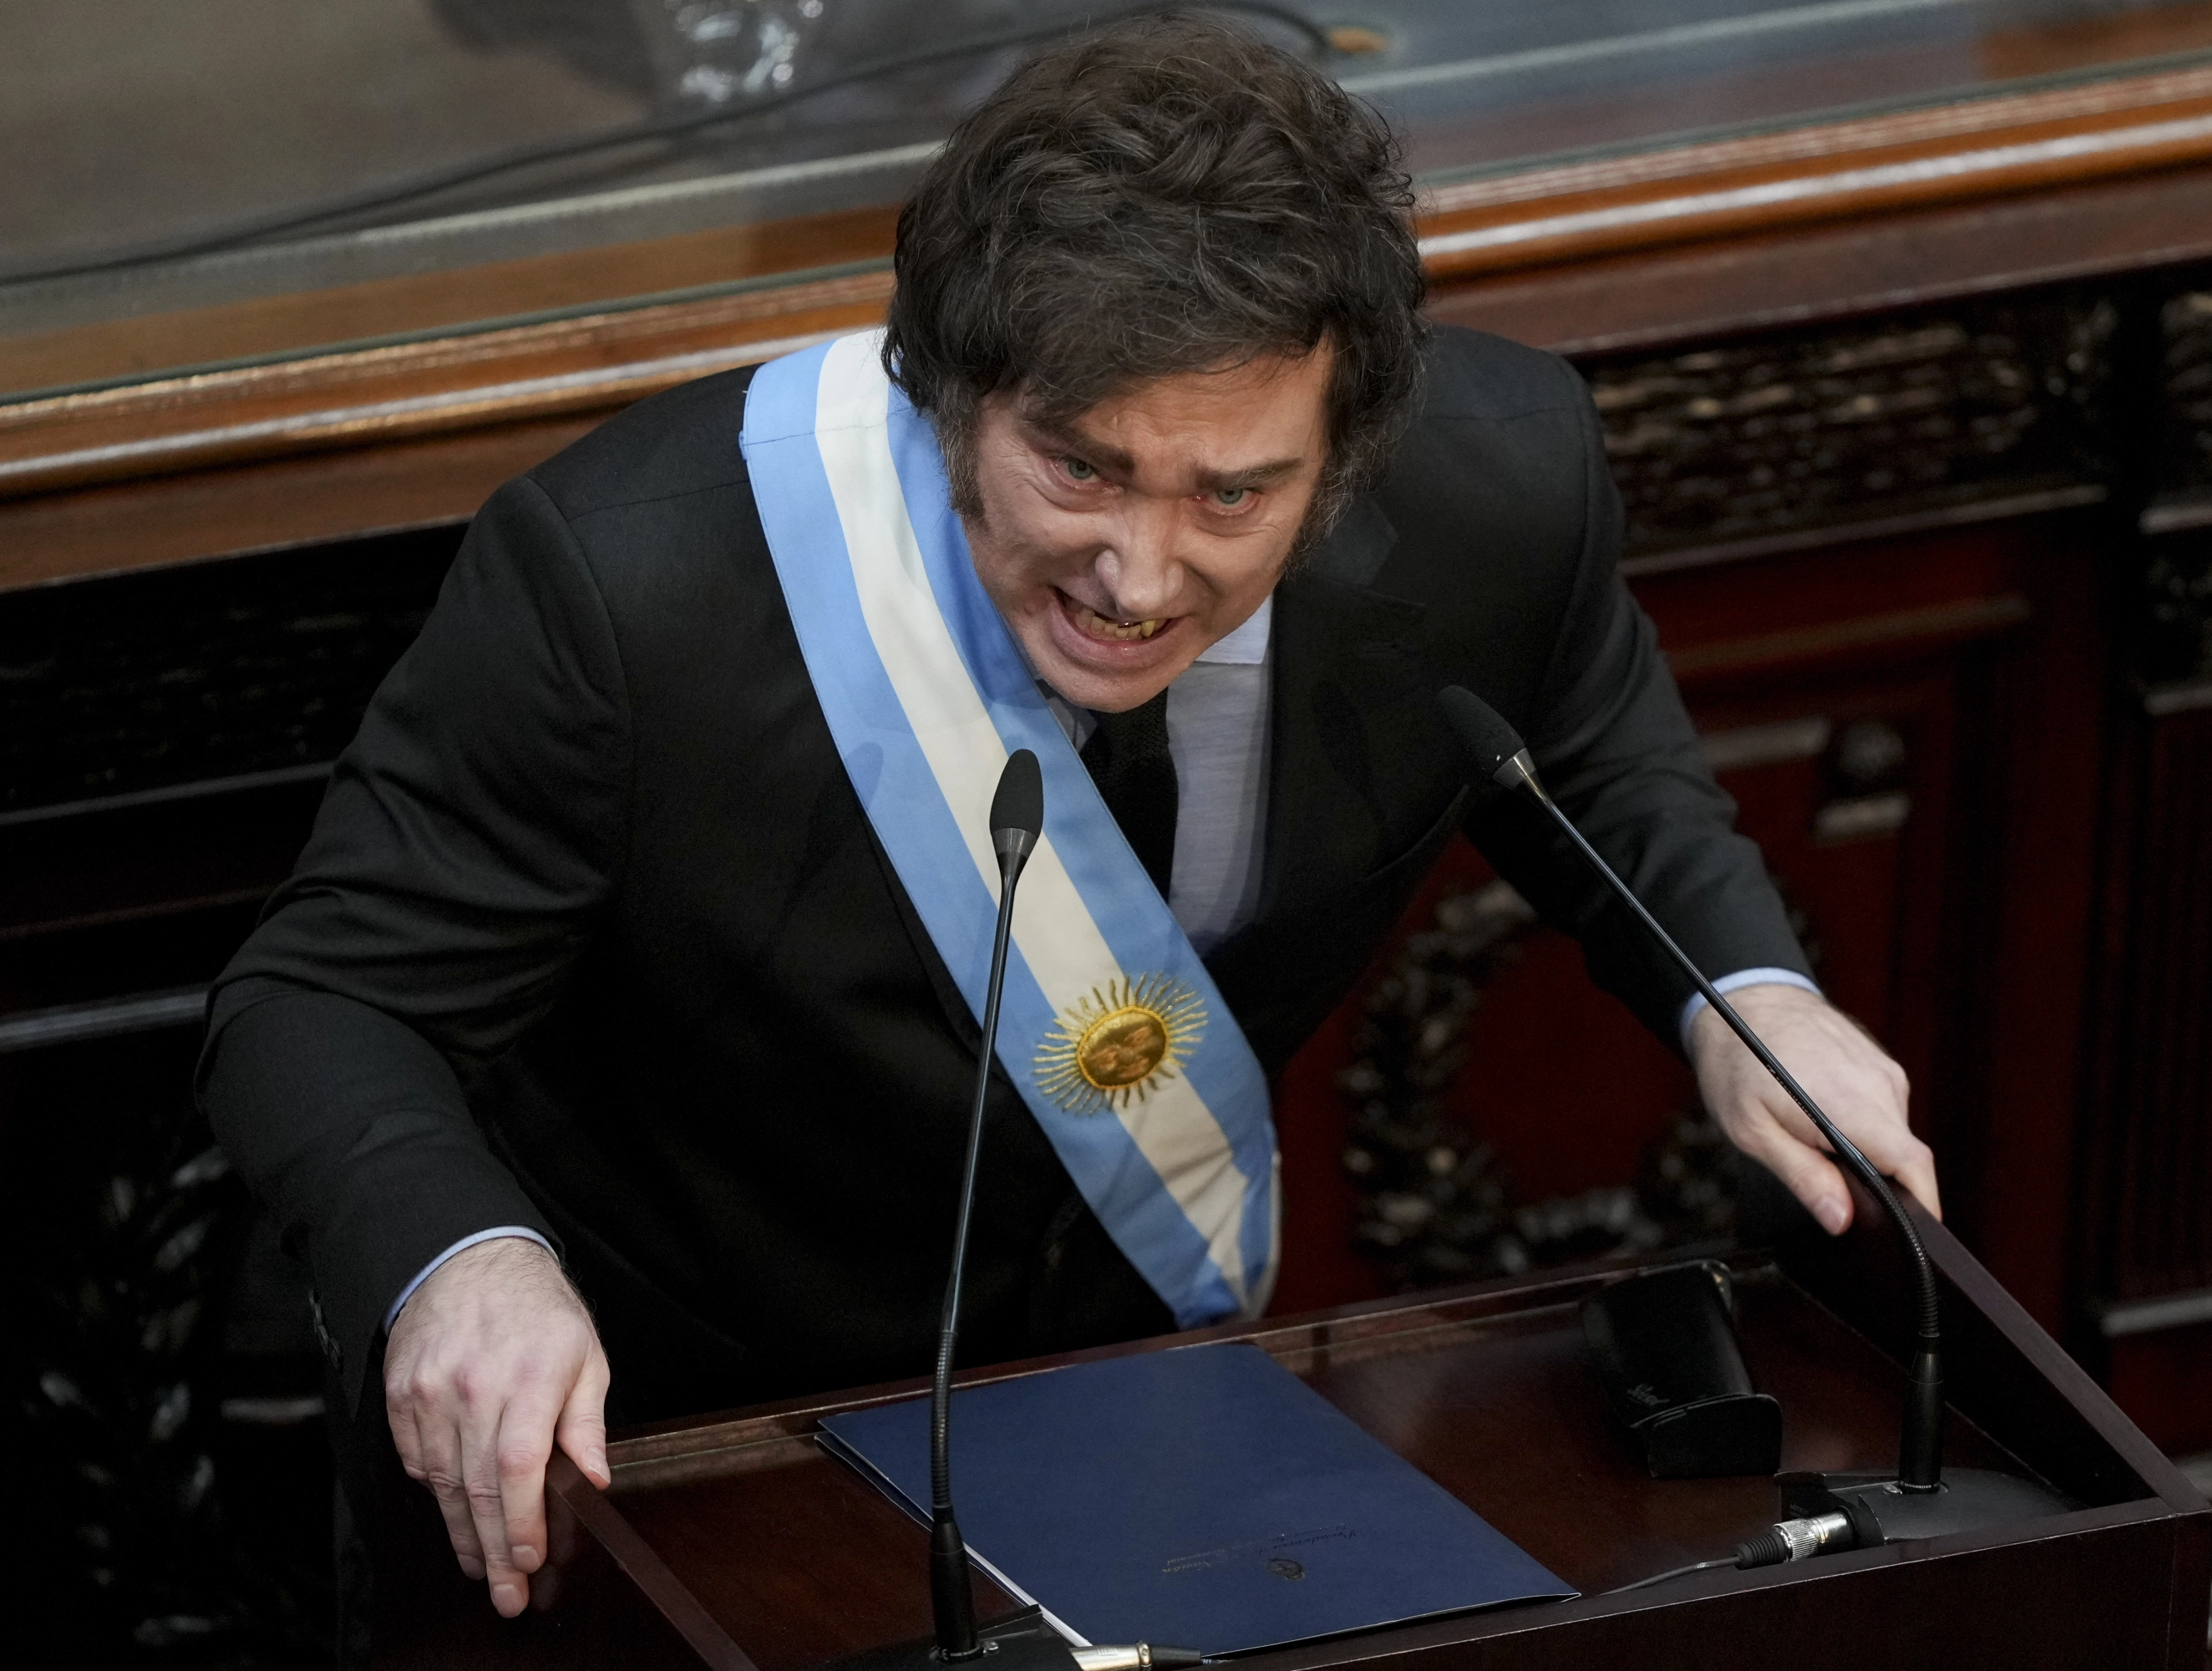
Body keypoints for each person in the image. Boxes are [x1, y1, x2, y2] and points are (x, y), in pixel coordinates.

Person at [200, 13, 1933, 1635]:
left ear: (1342, 456)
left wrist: (1749, 1000)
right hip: (663, 1447)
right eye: (1079, 468)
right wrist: (465, 1264)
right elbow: (323, 1003)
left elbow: (1600, 757)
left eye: (1233, 493)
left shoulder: (1509, 482)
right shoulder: (626, 586)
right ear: (952, 393)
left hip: (1139, 1421)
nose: (1140, 575)